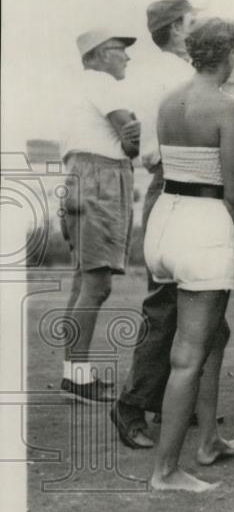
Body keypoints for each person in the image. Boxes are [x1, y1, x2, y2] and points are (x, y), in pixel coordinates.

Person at [143, 18, 234, 492]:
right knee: (188, 356)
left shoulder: (168, 100)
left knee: (214, 333)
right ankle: (166, 472)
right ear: (228, 56)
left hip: (163, 223)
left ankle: (209, 440)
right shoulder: (227, 107)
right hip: (202, 228)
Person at [113, 0, 206, 448]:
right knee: (167, 301)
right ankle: (132, 404)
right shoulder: (172, 77)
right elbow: (151, 149)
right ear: (175, 29)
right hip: (173, 184)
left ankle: (170, 401)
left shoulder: (187, 73)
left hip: (191, 186)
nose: (201, 25)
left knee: (196, 302)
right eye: (193, 20)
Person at [59, 28, 140, 404]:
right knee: (96, 284)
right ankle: (76, 377)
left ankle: (75, 373)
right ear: (96, 55)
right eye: (118, 50)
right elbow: (131, 134)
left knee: (84, 280)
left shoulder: (80, 87)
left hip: (82, 176)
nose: (126, 57)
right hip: (100, 178)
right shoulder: (102, 83)